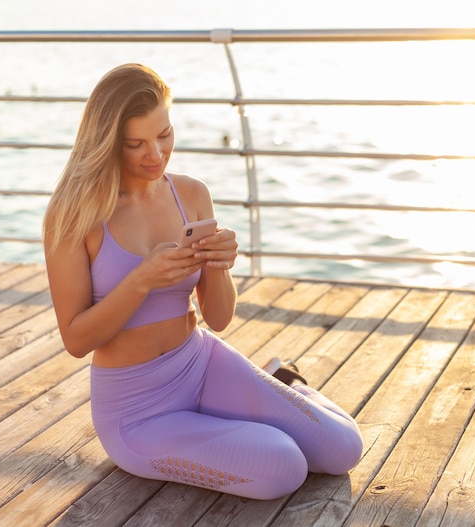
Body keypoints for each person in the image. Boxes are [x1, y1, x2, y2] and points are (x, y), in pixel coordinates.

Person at [42, 63, 363, 500]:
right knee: (282, 466)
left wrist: (219, 265)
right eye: (135, 144)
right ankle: (257, 412)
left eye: (164, 135)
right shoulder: (74, 216)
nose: (155, 154)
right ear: (107, 143)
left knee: (344, 448)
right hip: (138, 412)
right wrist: (140, 280)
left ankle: (285, 384)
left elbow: (219, 318)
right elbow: (77, 340)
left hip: (202, 362)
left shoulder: (191, 194)